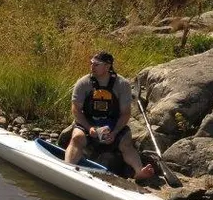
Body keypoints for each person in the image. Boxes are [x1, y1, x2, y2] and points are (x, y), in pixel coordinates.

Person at [64, 51, 155, 180]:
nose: (92, 67)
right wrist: (89, 128)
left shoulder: (122, 84)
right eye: (91, 63)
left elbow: (125, 114)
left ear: (107, 66)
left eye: (96, 64)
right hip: (88, 123)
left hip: (113, 124)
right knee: (77, 138)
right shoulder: (83, 83)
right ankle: (67, 167)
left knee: (126, 143)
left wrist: (115, 132)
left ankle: (139, 171)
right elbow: (76, 110)